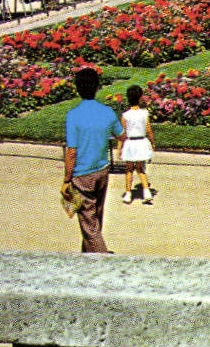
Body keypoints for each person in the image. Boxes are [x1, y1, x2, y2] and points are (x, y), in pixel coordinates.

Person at [62, 66, 123, 252]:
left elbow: (71, 151)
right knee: (95, 218)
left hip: (82, 175)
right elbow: (121, 135)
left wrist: (66, 180)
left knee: (89, 224)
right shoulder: (107, 112)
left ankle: (102, 259)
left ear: (77, 89)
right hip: (102, 171)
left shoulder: (73, 116)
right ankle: (88, 257)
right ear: (97, 87)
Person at [118, 84, 156, 205]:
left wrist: (119, 148)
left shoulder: (125, 115)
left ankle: (128, 194)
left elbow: (122, 134)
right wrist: (153, 142)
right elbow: (149, 129)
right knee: (140, 168)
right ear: (140, 98)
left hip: (130, 143)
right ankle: (146, 192)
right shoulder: (144, 113)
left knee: (129, 169)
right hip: (141, 142)